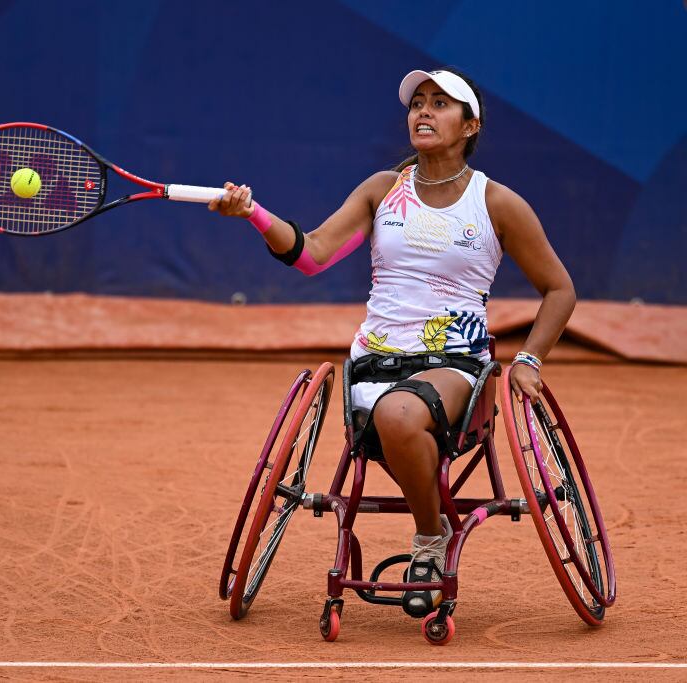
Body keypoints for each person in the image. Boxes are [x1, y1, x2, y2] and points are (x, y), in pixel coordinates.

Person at [208, 68, 576, 617]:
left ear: (470, 125)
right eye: (417, 103)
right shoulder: (382, 190)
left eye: (440, 105)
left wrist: (528, 359)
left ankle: (431, 537)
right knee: (389, 412)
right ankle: (433, 517)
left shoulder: (497, 204)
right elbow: (311, 254)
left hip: (455, 365)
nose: (423, 112)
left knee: (399, 416)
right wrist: (253, 215)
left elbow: (560, 289)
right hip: (374, 362)